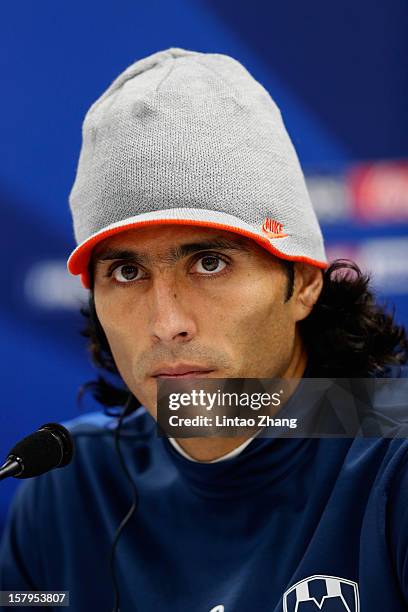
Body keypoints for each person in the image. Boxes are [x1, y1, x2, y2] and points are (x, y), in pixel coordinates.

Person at [1, 47, 407, 612]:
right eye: (126, 271)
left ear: (306, 281)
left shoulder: (397, 460)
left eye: (210, 262)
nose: (167, 323)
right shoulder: (66, 491)